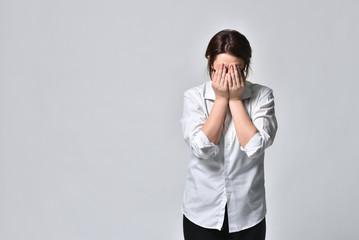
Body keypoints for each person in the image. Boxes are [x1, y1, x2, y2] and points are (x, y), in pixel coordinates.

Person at [180, 29, 278, 240]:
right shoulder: (194, 97)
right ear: (210, 62)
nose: (228, 76)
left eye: (236, 69)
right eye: (222, 69)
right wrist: (221, 99)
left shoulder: (262, 96)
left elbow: (255, 147)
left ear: (245, 66)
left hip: (248, 214)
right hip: (201, 213)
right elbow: (202, 148)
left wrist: (234, 99)